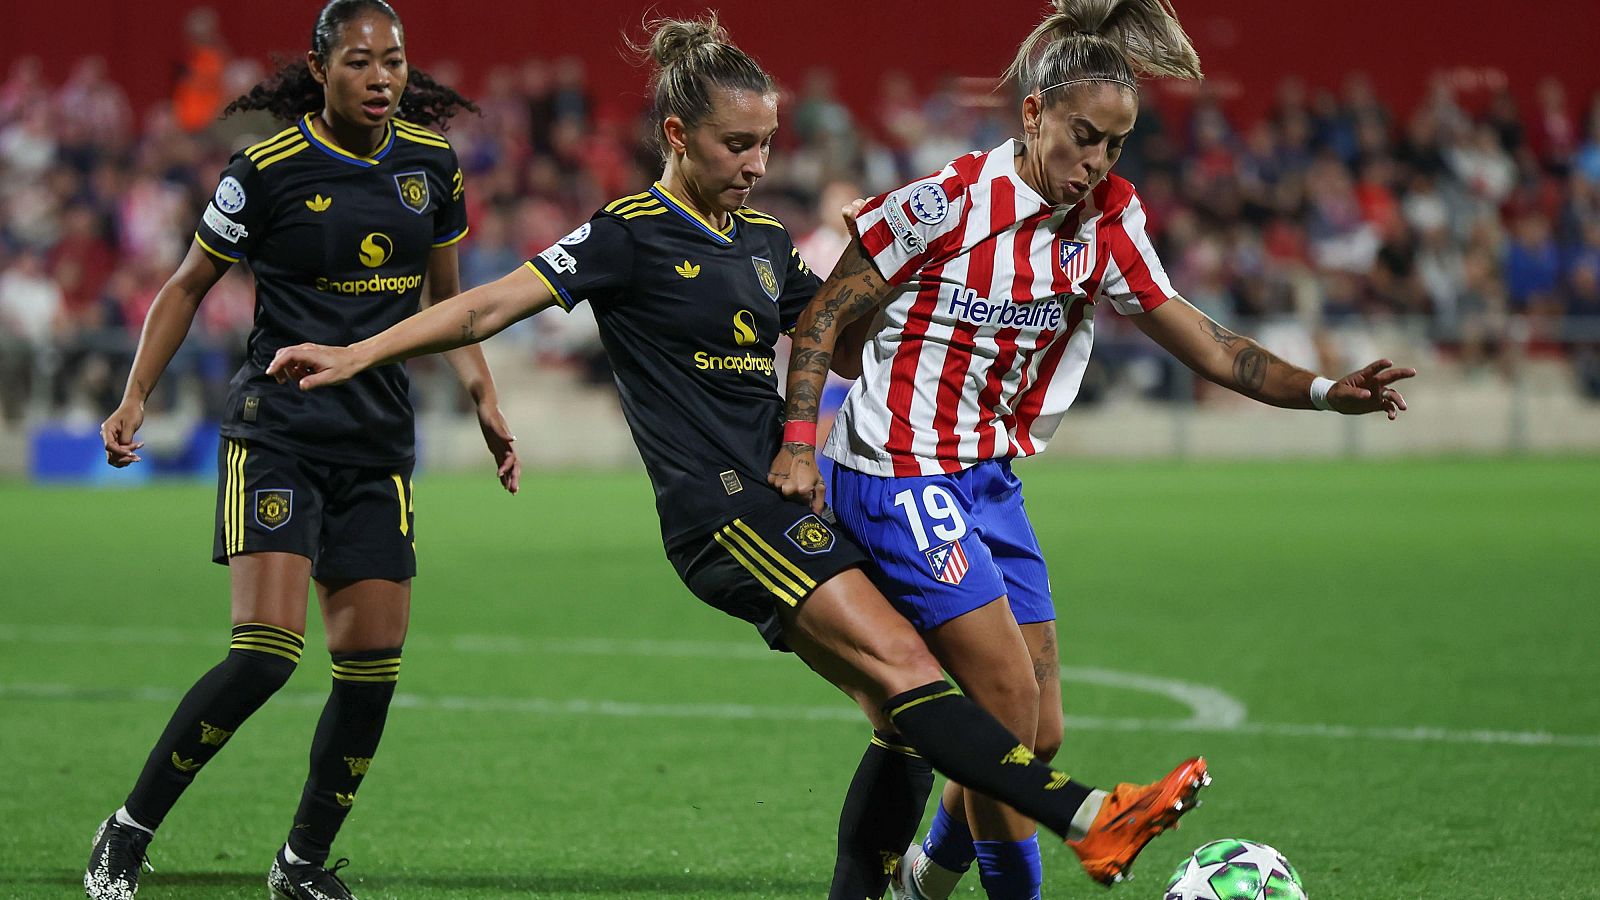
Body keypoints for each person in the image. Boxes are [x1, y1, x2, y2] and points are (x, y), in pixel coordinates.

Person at [265, 14, 1207, 897]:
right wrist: (359, 350)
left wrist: (909, 257)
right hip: (724, 512)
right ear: (678, 135)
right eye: (737, 146)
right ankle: (1087, 812)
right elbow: (486, 303)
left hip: (800, 496)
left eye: (766, 145)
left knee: (904, 723)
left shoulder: (762, 243)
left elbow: (834, 339)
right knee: (910, 678)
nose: (758, 166)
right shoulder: (627, 233)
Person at [768, 2, 1417, 898]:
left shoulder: (1108, 220)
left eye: (1115, 146)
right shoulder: (945, 202)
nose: (1096, 164)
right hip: (893, 467)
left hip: (986, 480)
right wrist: (801, 442)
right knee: (1000, 703)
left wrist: (1318, 390)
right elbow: (823, 320)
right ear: (1032, 114)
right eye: (1083, 137)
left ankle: (925, 878)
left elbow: (1202, 337)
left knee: (1039, 734)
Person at [86, 3, 519, 899]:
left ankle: (301, 865)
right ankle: (126, 832)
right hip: (277, 435)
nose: (381, 78)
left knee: (370, 674)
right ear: (321, 66)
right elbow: (185, 285)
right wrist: (135, 394)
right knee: (265, 653)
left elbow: (448, 304)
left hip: (376, 443)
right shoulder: (267, 169)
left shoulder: (431, 166)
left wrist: (483, 394)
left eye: (394, 62)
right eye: (361, 61)